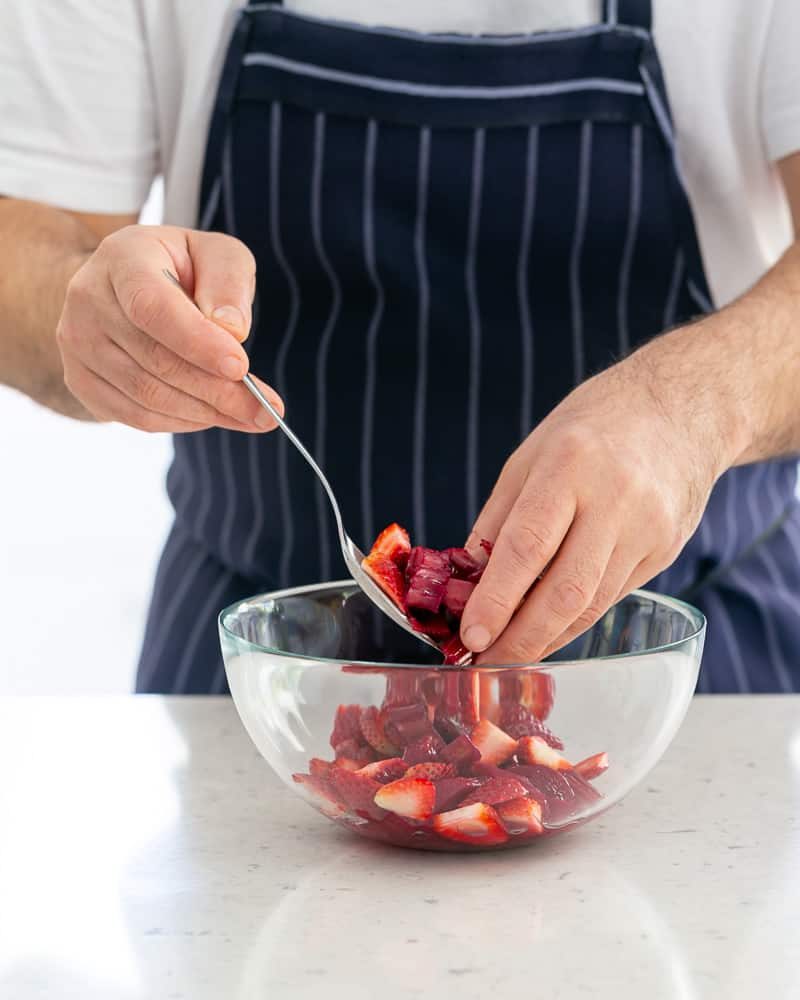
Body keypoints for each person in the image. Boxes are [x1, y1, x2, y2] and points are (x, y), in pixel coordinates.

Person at [1, 1, 799, 694]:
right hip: (257, 675)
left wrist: (688, 406)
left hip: (688, 665)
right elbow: (27, 248)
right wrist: (97, 311)